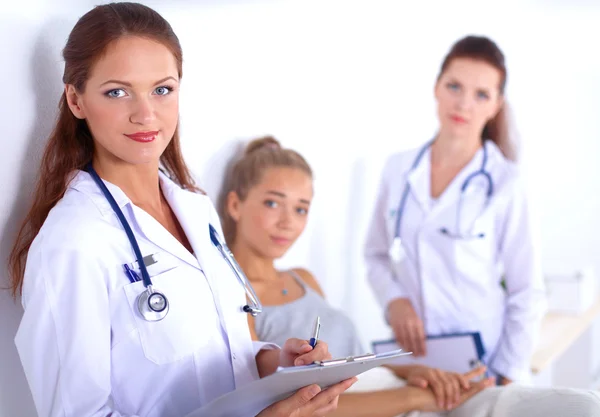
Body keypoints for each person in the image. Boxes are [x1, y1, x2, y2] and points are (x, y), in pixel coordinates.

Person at [7, 3, 355, 417]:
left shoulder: (197, 208)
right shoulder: (73, 242)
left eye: (162, 89)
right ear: (76, 100)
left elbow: (227, 353)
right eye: (117, 91)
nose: (145, 114)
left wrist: (280, 365)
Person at [219, 136, 600, 417]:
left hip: (401, 390)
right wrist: (417, 398)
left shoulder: (303, 278)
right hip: (385, 407)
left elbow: (354, 363)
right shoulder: (233, 296)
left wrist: (416, 371)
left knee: (581, 405)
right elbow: (306, 406)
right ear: (235, 204)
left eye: (301, 209)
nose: (288, 222)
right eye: (272, 203)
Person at [364, 35, 547, 385]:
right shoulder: (398, 169)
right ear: (436, 87)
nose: (463, 103)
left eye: (481, 94)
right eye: (454, 86)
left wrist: (506, 375)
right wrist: (395, 300)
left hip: (485, 363)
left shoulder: (507, 182)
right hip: (416, 362)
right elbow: (374, 254)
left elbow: (527, 290)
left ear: (496, 105)